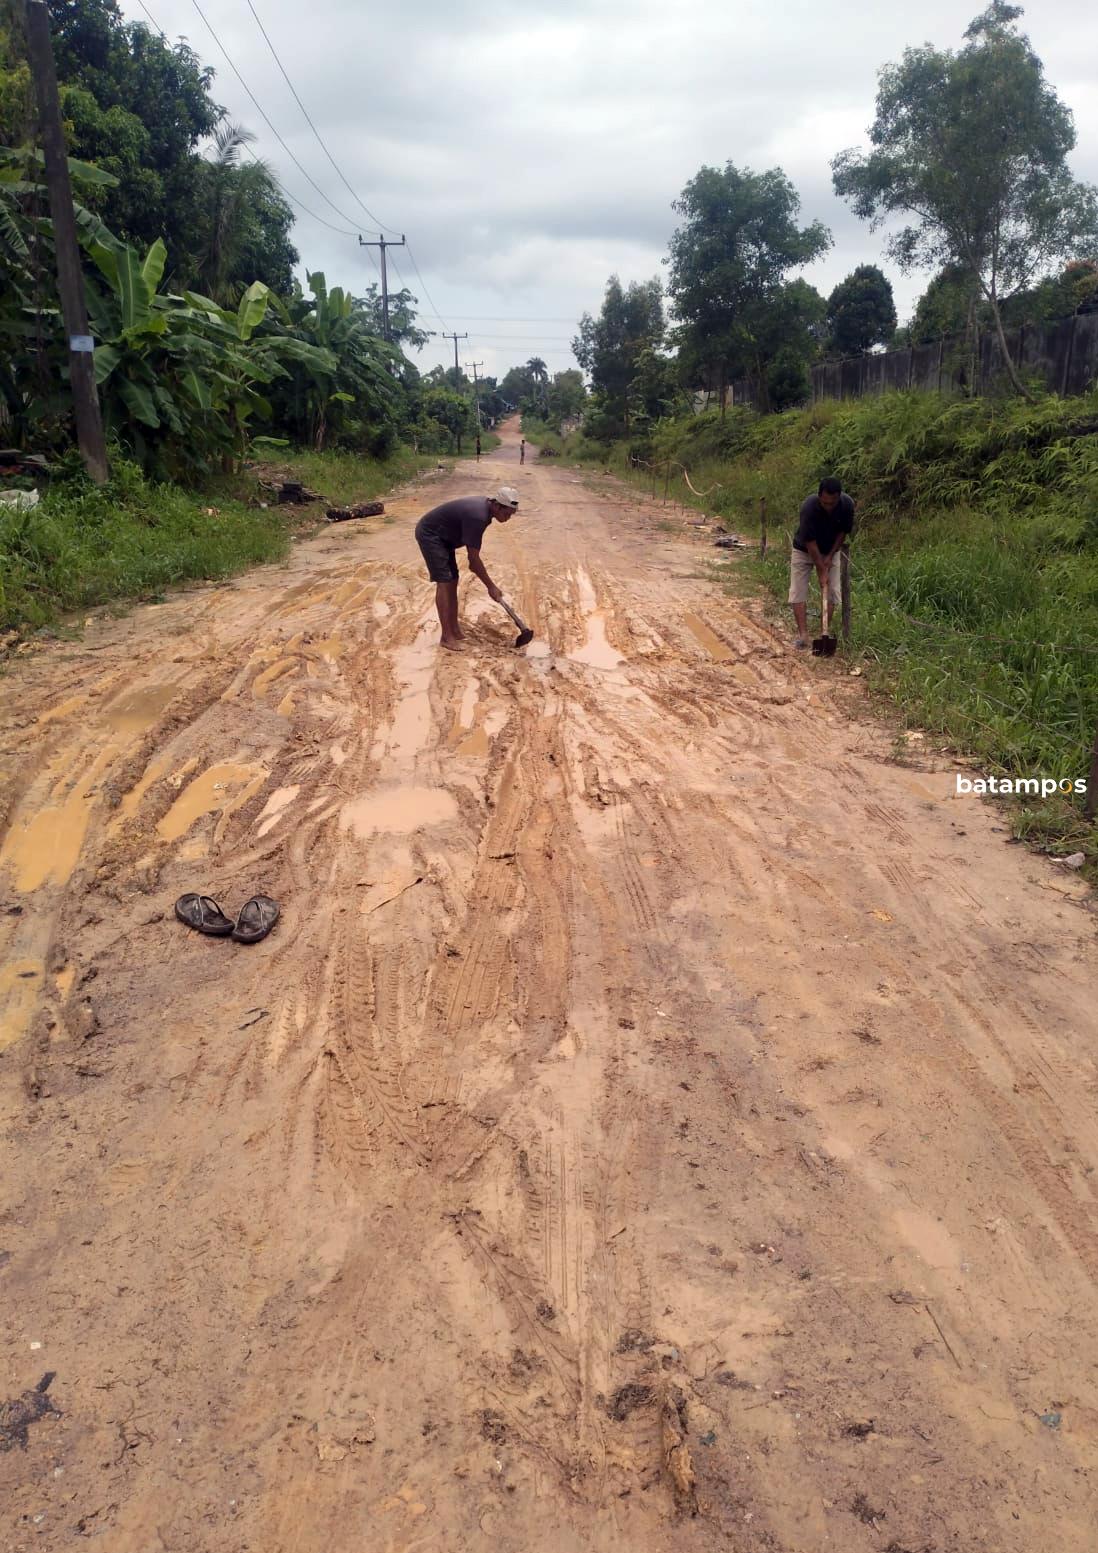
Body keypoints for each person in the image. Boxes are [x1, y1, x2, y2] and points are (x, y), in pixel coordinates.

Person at [415, 487, 520, 652]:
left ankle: (454, 629)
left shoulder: (485, 511)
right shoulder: (478, 516)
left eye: (511, 515)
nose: (508, 518)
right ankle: (446, 637)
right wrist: (491, 586)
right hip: (431, 535)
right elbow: (473, 561)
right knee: (444, 582)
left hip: (445, 539)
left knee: (453, 581)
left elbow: (473, 558)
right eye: (507, 514)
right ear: (498, 506)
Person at [789, 476, 854, 648]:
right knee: (797, 590)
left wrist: (830, 556)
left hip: (830, 550)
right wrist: (821, 568)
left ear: (839, 497)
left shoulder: (847, 505)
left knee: (832, 593)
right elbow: (809, 541)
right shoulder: (808, 508)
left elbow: (842, 533)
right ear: (819, 496)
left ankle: (823, 633)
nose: (828, 507)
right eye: (825, 503)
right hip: (803, 550)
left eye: (832, 503)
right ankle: (803, 635)